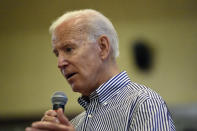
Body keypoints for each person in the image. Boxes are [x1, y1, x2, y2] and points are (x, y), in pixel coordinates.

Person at [26, 9, 175, 131]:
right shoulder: (75, 125)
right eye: (57, 54)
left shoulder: (143, 103)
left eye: (69, 49)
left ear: (102, 47)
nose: (60, 63)